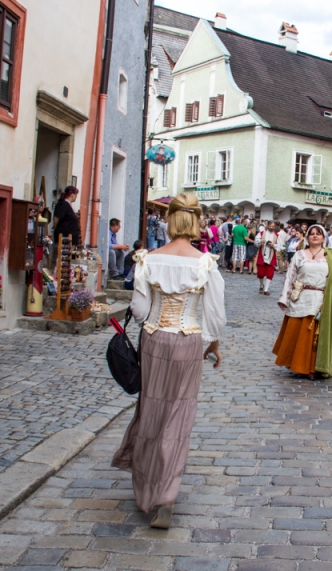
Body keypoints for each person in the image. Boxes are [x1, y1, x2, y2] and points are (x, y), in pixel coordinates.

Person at [112, 193, 226, 529]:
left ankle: (148, 488)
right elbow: (214, 316)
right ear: (196, 222)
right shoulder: (205, 263)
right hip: (188, 341)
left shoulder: (149, 259)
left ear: (171, 220)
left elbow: (140, 310)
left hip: (154, 339)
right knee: (178, 416)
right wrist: (212, 345)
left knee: (151, 411)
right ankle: (166, 495)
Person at [274, 225, 332, 379]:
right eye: (311, 234)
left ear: (323, 237)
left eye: (318, 234)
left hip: (321, 298)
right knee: (299, 333)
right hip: (301, 297)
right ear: (307, 237)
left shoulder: (331, 257)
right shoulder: (299, 255)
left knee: (315, 335)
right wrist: (284, 298)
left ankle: (314, 367)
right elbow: (290, 277)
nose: (314, 236)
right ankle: (297, 364)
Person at [255, 220, 279, 295]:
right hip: (262, 255)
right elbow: (255, 242)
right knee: (260, 273)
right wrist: (260, 241)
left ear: (275, 227)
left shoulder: (277, 235)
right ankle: (261, 285)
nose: (271, 228)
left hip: (271, 256)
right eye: (270, 226)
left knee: (270, 273)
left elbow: (280, 246)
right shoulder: (261, 233)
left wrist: (273, 245)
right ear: (268, 226)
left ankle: (266, 289)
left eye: (273, 226)